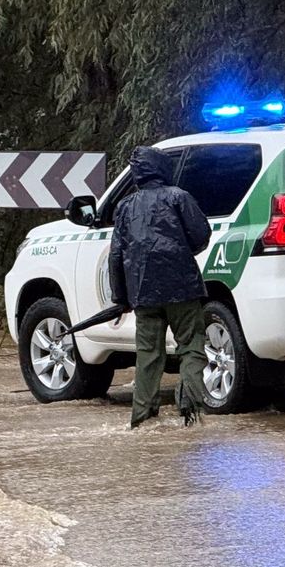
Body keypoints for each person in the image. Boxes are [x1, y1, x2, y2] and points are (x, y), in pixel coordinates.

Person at [107, 146, 212, 428]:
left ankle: (142, 420)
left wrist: (121, 297)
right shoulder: (179, 197)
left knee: (148, 356)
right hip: (183, 289)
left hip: (143, 293)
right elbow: (202, 236)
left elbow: (116, 254)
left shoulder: (126, 206)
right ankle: (190, 408)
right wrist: (182, 251)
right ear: (163, 169)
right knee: (191, 347)